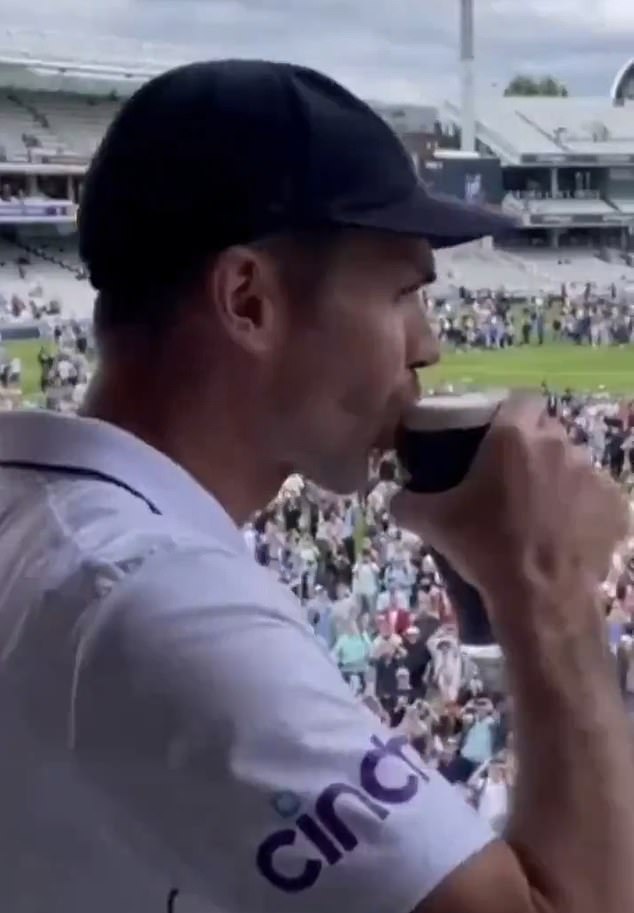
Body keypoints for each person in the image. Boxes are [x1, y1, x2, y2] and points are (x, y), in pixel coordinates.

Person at [0, 57, 632, 913]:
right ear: (248, 301)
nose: (428, 345)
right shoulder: (151, 599)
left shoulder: (43, 525)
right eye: (404, 291)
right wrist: (549, 591)